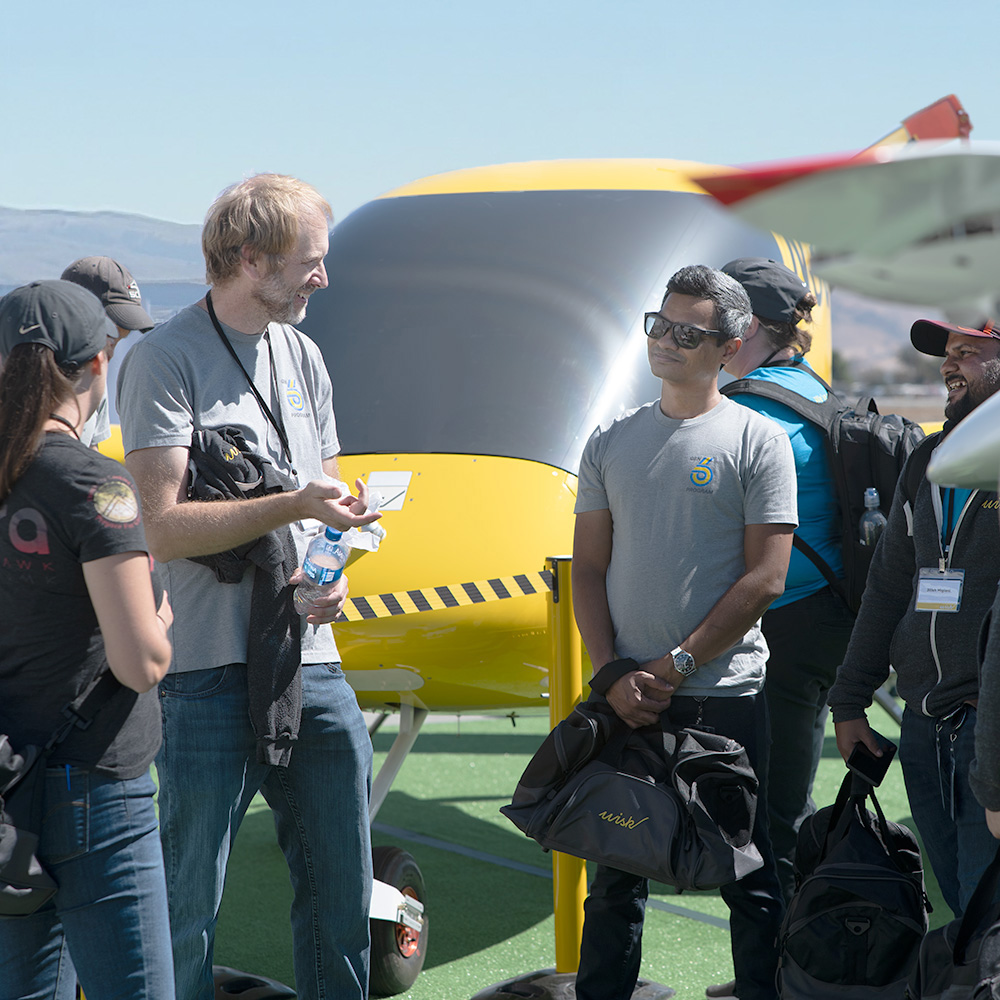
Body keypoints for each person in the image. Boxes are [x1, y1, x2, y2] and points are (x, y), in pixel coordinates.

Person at [116, 174, 381, 1000]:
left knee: (343, 895)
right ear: (247, 258)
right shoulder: (162, 358)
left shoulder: (305, 353)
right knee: (188, 903)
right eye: (309, 262)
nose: (322, 279)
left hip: (315, 660)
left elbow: (331, 504)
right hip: (206, 670)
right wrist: (293, 505)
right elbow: (158, 527)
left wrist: (337, 562)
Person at [572, 264, 797, 1000]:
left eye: (688, 332)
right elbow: (586, 571)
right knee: (614, 881)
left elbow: (766, 578)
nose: (666, 341)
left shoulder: (759, 442)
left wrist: (671, 666)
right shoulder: (609, 441)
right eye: (659, 325)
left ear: (730, 348)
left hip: (723, 697)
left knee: (751, 878)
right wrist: (611, 677)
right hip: (627, 698)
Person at [0, 279, 174, 998]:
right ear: (99, 363)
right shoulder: (93, 483)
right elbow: (141, 664)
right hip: (95, 782)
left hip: (9, 785)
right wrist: (162, 619)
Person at [830, 317, 1000, 918]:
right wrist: (850, 700)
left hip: (989, 726)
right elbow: (889, 585)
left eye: (970, 353)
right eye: (947, 354)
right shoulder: (928, 456)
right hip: (926, 724)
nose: (949, 365)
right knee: (959, 901)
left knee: (986, 915)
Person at [719, 258, 856, 907]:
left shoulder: (750, 415)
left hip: (777, 624)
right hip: (829, 617)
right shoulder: (815, 392)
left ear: (744, 326)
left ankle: (782, 968)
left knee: (771, 816)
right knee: (787, 798)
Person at [60, 256, 155, 449]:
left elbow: (91, 454)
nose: (110, 355)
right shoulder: (23, 380)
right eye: (110, 338)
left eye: (118, 341)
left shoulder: (95, 381)